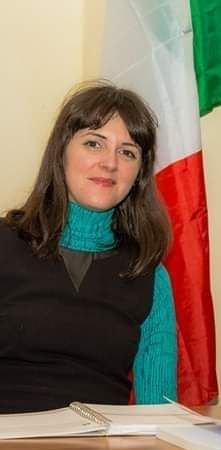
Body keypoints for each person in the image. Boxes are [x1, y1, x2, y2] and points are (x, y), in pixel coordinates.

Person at [0, 82, 177, 413]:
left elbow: (158, 415)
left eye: (127, 152)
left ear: (139, 174)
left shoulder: (149, 274)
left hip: (99, 444)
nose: (110, 163)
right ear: (61, 152)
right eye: (94, 144)